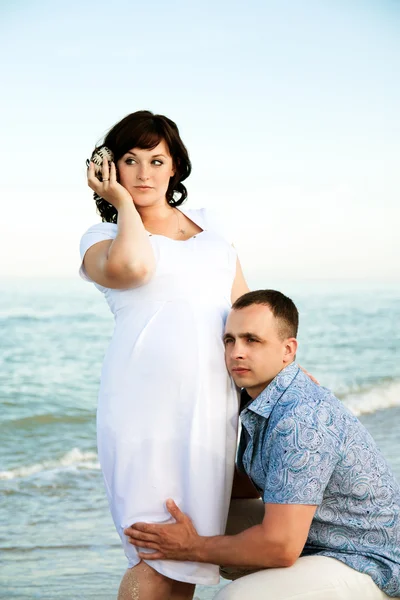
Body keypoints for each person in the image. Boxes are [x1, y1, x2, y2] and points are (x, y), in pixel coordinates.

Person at [125, 290, 400, 600]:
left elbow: (280, 546)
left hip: (370, 561)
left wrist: (192, 546)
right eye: (229, 340)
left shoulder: (301, 419)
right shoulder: (257, 400)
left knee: (238, 597)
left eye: (252, 340)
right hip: (312, 538)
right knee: (177, 522)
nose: (236, 352)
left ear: (288, 350)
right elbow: (246, 492)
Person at [79, 110, 249, 600]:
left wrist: (288, 378)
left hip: (211, 412)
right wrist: (121, 207)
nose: (144, 173)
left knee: (187, 556)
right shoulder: (101, 239)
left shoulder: (213, 228)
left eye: (157, 160)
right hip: (142, 415)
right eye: (129, 161)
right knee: (154, 552)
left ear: (175, 166)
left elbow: (244, 311)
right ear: (110, 170)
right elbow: (134, 268)